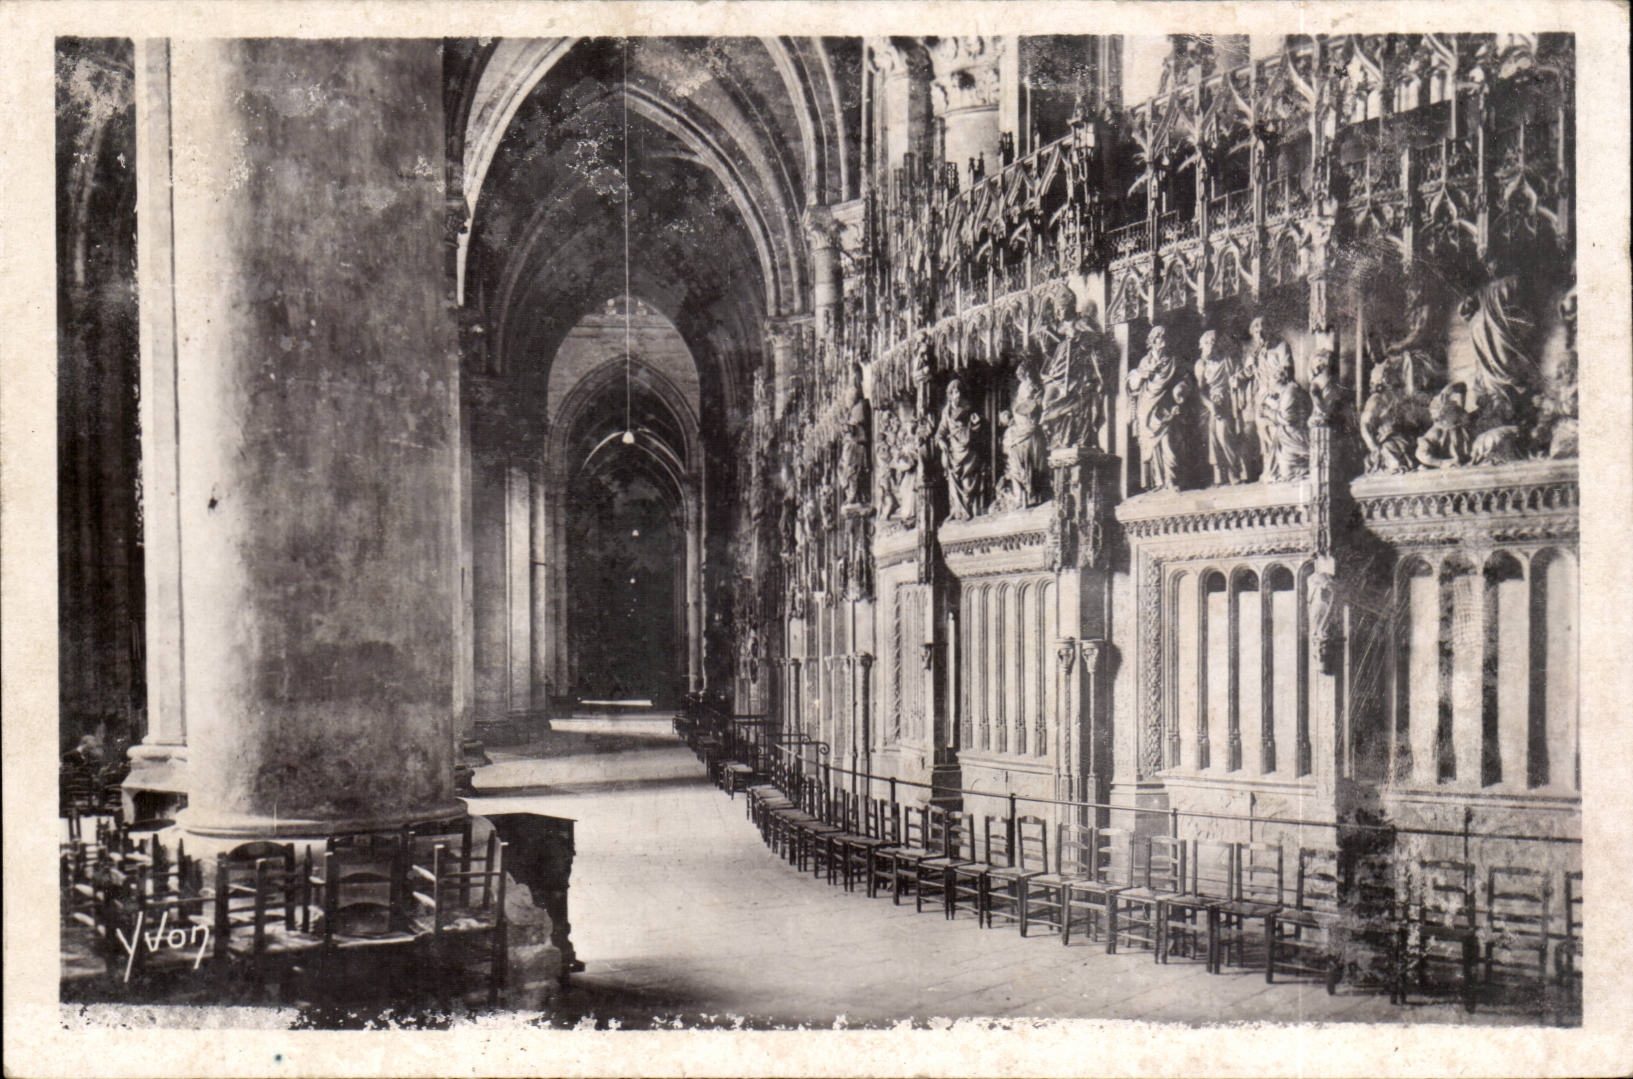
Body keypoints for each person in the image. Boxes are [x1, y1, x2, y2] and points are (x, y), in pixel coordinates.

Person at [1126, 326, 1192, 491]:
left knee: (1168, 442)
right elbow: (1134, 384)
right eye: (1158, 338)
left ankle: (1171, 480)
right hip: (1147, 405)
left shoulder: (1173, 361)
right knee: (1152, 445)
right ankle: (1159, 482)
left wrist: (1180, 390)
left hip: (1166, 405)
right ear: (1152, 341)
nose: (1162, 341)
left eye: (1164, 337)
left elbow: (1184, 379)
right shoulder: (1144, 362)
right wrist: (1143, 374)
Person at [1196, 330, 1247, 485]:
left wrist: (1235, 382)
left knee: (1224, 434)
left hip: (1227, 400)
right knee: (1212, 437)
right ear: (1202, 346)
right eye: (1207, 342)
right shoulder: (1201, 364)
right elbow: (1199, 391)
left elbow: (1239, 376)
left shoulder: (1227, 360)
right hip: (1209, 404)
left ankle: (1234, 471)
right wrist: (1210, 406)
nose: (1210, 345)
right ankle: (1219, 475)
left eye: (1213, 342)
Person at [936, 378, 986, 519]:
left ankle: (968, 509)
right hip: (954, 450)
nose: (956, 395)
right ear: (949, 394)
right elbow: (940, 432)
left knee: (968, 478)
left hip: (967, 447)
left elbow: (976, 427)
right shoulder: (946, 412)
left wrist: (975, 424)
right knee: (953, 479)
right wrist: (941, 441)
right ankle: (957, 511)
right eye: (953, 392)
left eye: (958, 392)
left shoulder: (968, 408)